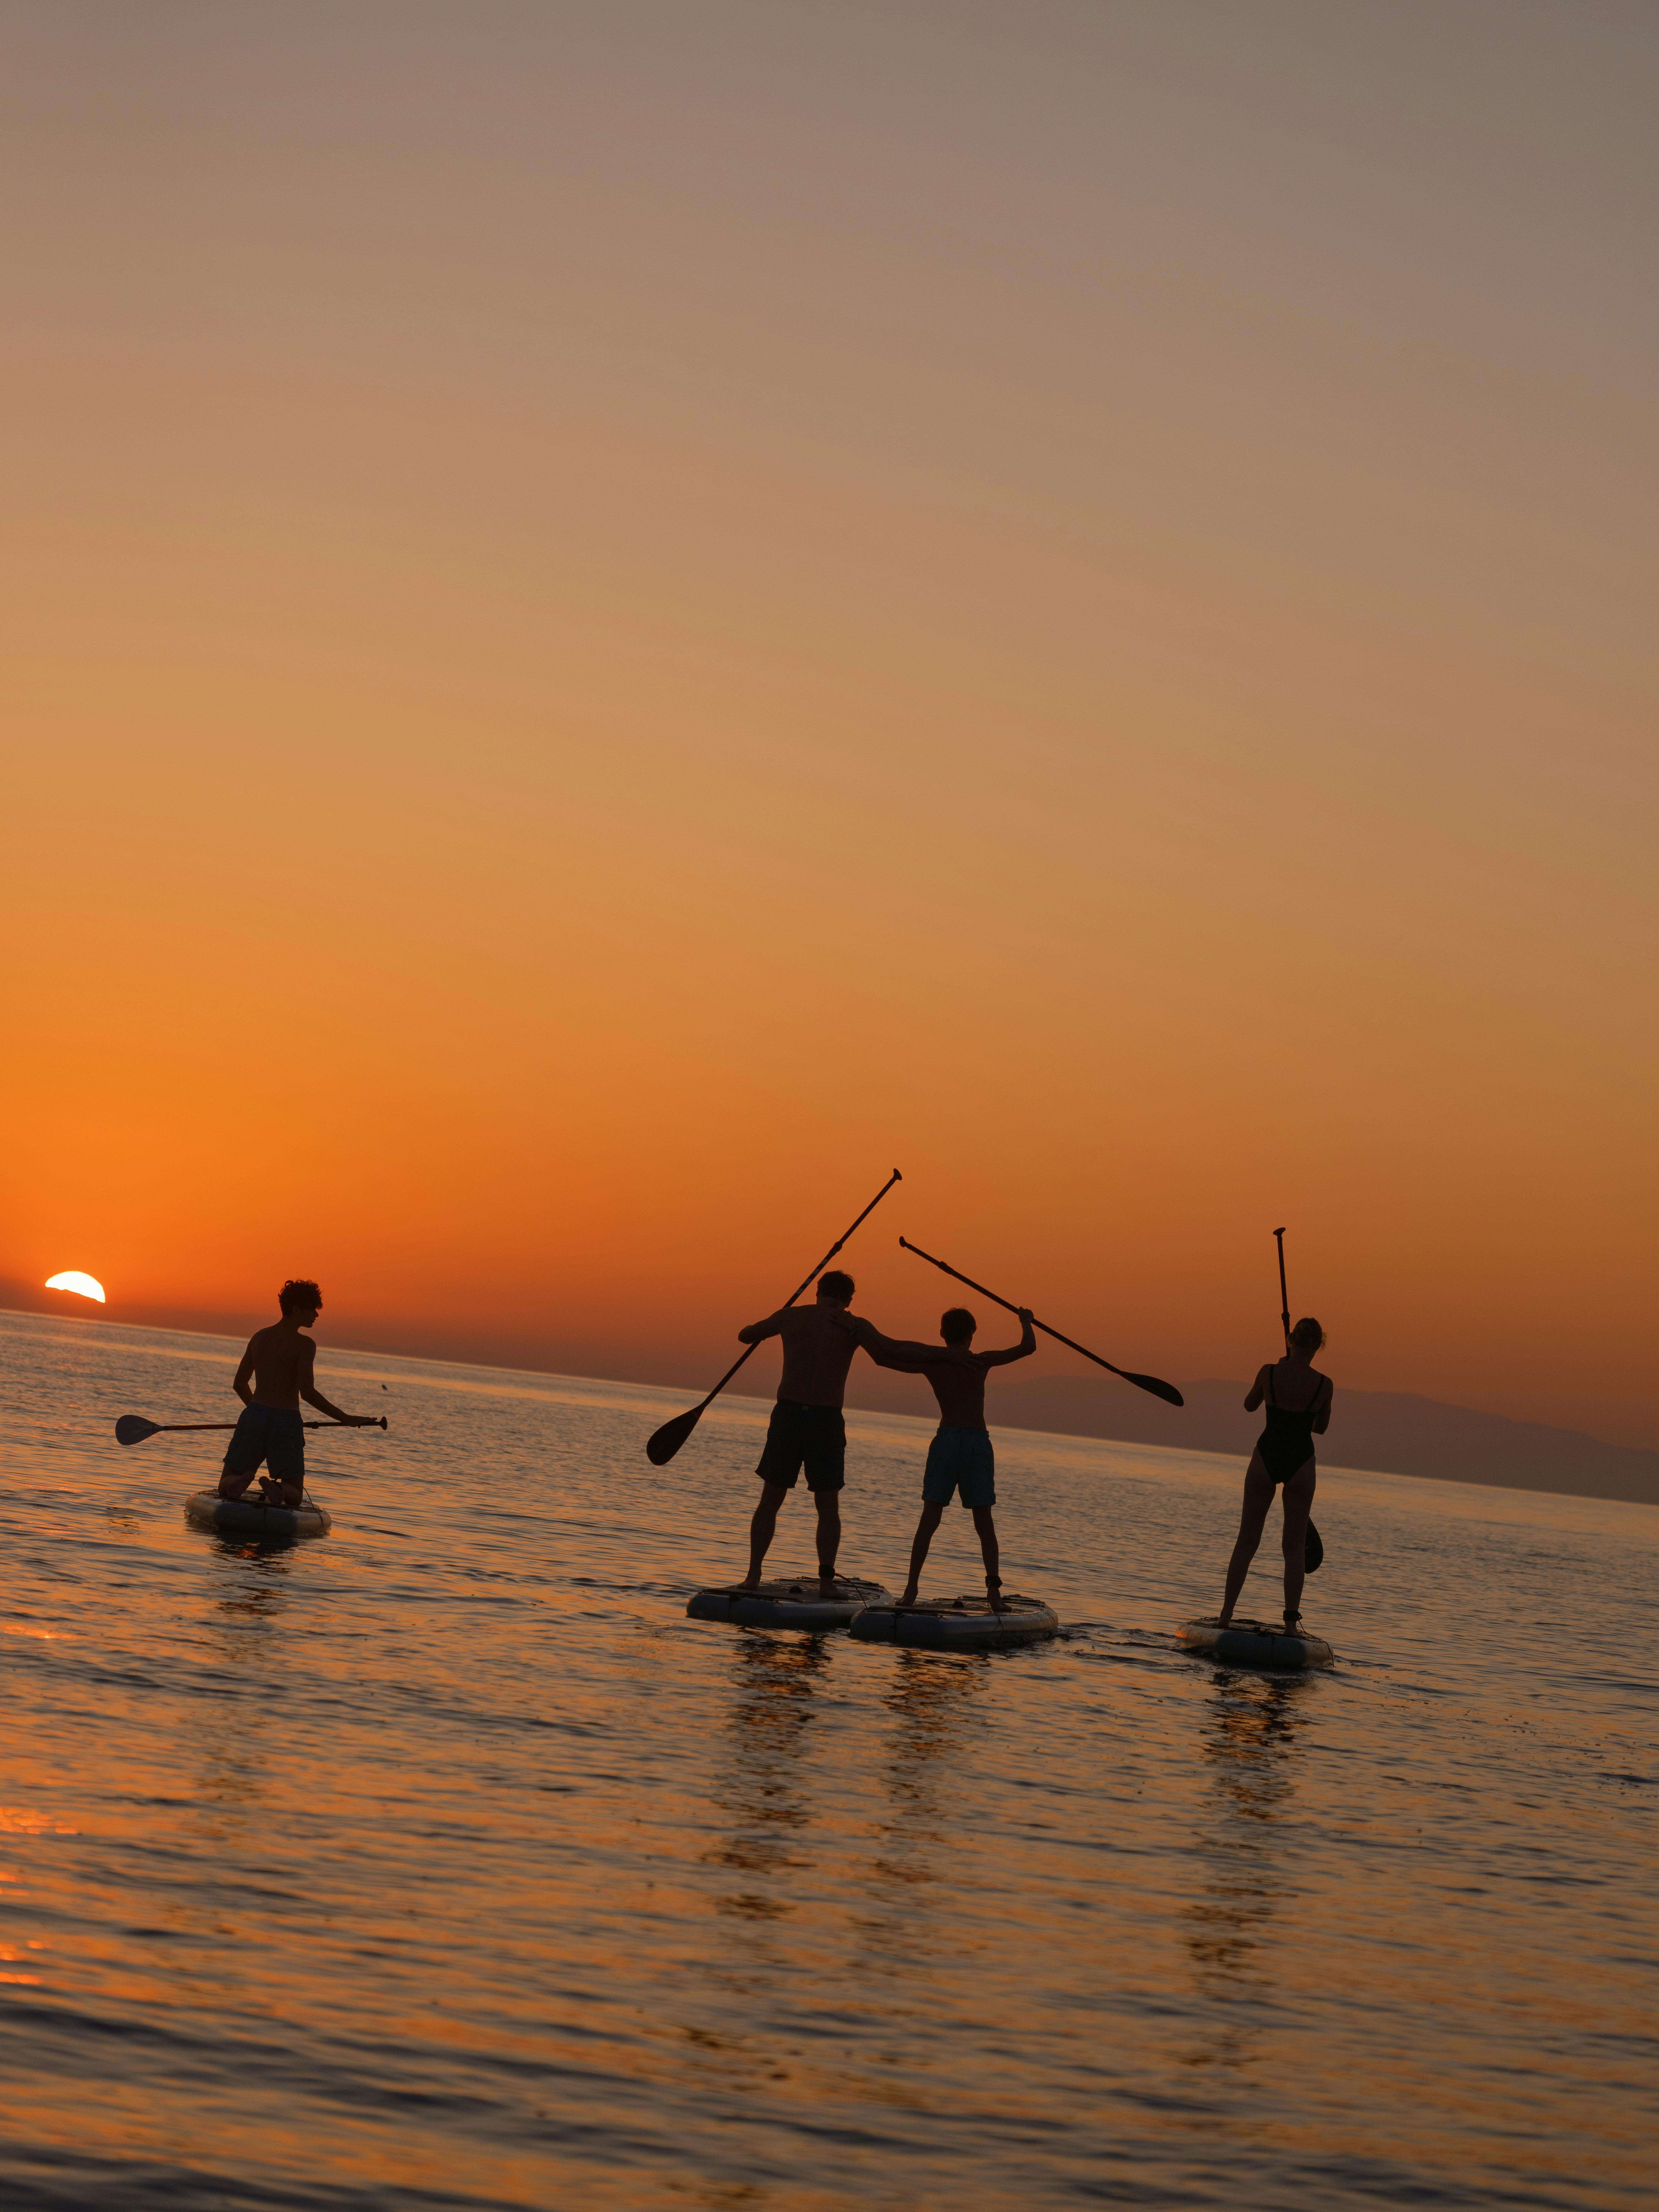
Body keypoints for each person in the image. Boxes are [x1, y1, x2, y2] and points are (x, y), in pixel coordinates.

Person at [831, 1302, 1036, 1611]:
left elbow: (885, 1358)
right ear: (972, 1334)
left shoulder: (934, 1362)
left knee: (930, 1519)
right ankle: (994, 1593)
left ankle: (911, 1590)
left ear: (942, 1333)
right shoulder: (980, 1361)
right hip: (975, 1442)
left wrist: (857, 1330)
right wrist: (1026, 1321)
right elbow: (1028, 1348)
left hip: (947, 1441)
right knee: (984, 1522)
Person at [736, 1269, 871, 1591]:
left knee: (771, 1499)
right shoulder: (853, 1325)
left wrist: (775, 1319)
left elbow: (746, 1335)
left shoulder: (791, 1316)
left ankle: (753, 1576)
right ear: (849, 1299)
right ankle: (827, 1582)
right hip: (826, 1420)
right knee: (828, 1505)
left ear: (818, 1292)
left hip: (789, 1416)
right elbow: (888, 1353)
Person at [218, 1280, 379, 1509]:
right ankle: (279, 1489)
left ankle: (241, 1481)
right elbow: (308, 1393)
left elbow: (239, 1384)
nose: (316, 1315)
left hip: (254, 1417)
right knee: (295, 1494)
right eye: (312, 1309)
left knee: (225, 1482)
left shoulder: (260, 1337)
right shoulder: (305, 1345)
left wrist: (256, 1410)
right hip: (286, 1422)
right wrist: (347, 1419)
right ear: (296, 1310)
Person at [1217, 1317, 1333, 1633]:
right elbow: (1320, 1427)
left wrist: (1278, 1377)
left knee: (1247, 1540)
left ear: (1291, 1339)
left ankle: (1226, 1615)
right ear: (1318, 1345)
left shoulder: (1268, 1371)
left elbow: (1249, 1405)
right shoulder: (1324, 1384)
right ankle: (1291, 1627)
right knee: (1294, 1548)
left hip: (1266, 1456)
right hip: (1301, 1461)